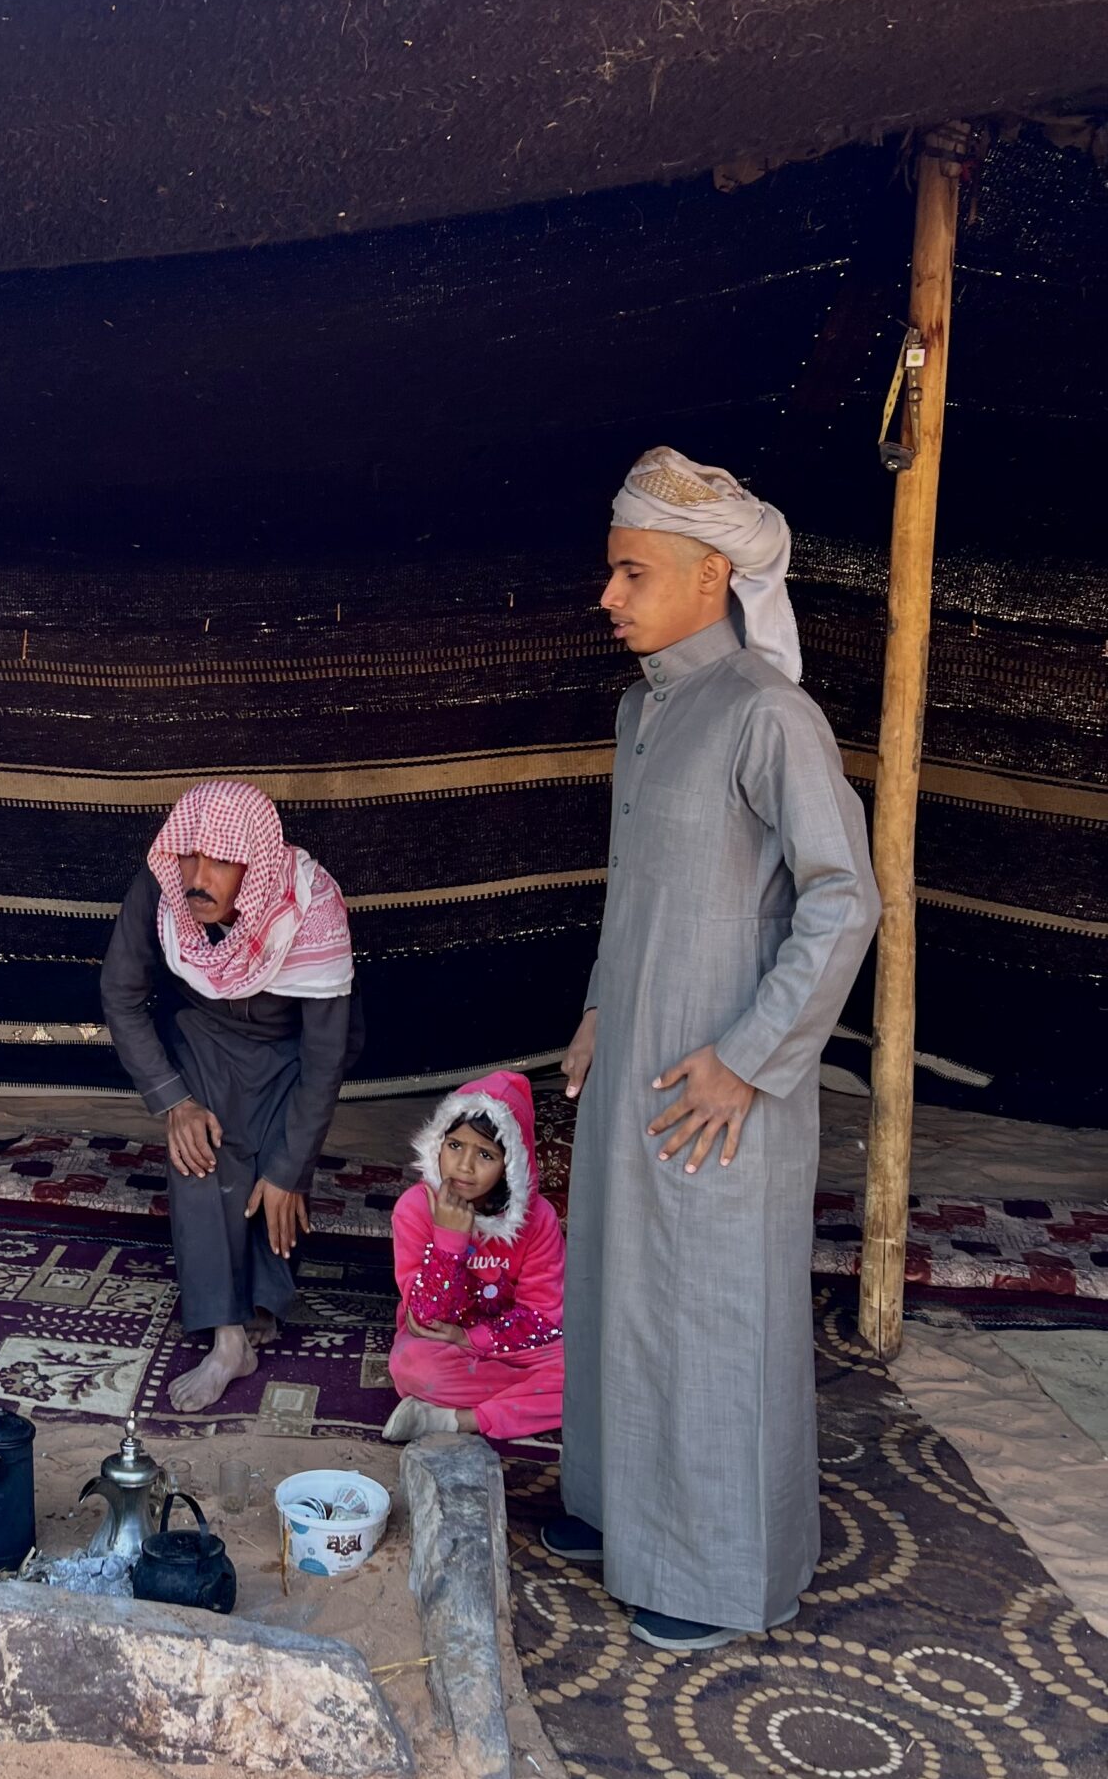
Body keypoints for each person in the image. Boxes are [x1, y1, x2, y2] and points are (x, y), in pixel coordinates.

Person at [550, 448, 879, 1652]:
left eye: (632, 573)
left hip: (725, 1078)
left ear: (709, 577)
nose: (609, 596)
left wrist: (748, 1056)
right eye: (611, 571)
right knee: (620, 1281)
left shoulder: (767, 714)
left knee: (707, 1307)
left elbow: (845, 899)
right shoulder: (643, 711)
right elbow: (633, 886)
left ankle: (717, 1572)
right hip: (638, 1048)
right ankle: (615, 1508)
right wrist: (598, 1007)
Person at [100, 779, 362, 1411]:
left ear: (254, 865)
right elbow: (120, 994)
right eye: (189, 857)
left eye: (219, 861)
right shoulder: (162, 887)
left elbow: (325, 1056)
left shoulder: (311, 904)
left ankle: (262, 1303)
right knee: (200, 1154)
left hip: (292, 1049)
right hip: (204, 1036)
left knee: (276, 1172)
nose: (196, 878)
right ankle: (227, 1340)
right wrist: (174, 1101)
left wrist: (290, 1169)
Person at [382, 1070, 565, 1452]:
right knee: (412, 1366)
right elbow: (425, 1317)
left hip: (513, 1343)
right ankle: (531, 1399)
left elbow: (542, 1315)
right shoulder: (415, 1208)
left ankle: (458, 1419)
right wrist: (449, 1239)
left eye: (485, 1155)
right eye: (454, 1146)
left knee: (594, 1370)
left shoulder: (538, 1219)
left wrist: (473, 1338)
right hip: (441, 1346)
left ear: (511, 1163)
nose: (464, 1166)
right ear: (438, 1143)